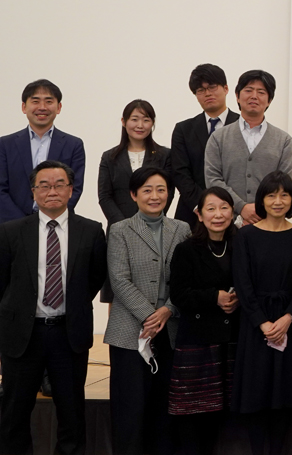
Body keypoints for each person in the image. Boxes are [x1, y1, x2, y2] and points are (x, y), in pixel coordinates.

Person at [0, 161, 106, 455]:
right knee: (14, 414)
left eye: (59, 184)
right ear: (33, 192)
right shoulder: (11, 232)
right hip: (23, 334)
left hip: (68, 334)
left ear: (71, 190)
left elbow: (94, 279)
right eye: (44, 185)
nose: (52, 191)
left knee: (72, 414)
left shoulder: (91, 231)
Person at [105, 166, 191, 455]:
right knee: (129, 409)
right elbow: (119, 279)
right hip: (129, 332)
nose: (155, 196)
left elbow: (188, 280)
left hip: (171, 331)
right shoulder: (119, 230)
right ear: (133, 194)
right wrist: (149, 316)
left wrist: (167, 311)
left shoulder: (182, 229)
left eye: (161, 190)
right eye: (147, 190)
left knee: (164, 408)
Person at [231, 172, 292, 455]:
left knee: (284, 394)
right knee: (257, 392)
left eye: (284, 195)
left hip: (290, 323)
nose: (278, 201)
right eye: (271, 195)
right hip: (255, 324)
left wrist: (288, 317)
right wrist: (262, 323)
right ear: (261, 199)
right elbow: (243, 283)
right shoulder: (246, 235)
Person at [168, 188, 240, 455]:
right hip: (198, 340)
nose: (218, 214)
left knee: (219, 412)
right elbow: (179, 294)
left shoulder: (241, 244)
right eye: (211, 208)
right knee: (192, 411)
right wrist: (215, 297)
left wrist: (239, 298)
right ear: (199, 214)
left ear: (232, 212)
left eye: (224, 207)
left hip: (232, 338)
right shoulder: (186, 249)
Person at [204, 70, 292, 226]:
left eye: (261, 92)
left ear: (269, 100)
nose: (254, 96)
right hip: (226, 224)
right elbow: (213, 179)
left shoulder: (284, 141)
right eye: (248, 90)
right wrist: (242, 207)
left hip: (268, 223)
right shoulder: (218, 138)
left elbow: (283, 184)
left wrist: (260, 211)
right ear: (237, 96)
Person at [0, 80, 86, 223]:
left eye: (48, 101)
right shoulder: (4, 144)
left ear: (58, 107)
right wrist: (21, 223)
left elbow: (74, 188)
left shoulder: (73, 144)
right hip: (12, 226)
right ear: (23, 107)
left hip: (58, 224)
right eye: (35, 101)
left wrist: (51, 218)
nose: (42, 107)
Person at [170, 64, 239, 228]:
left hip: (235, 213)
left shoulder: (243, 125)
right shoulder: (183, 129)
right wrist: (202, 206)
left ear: (226, 88)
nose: (207, 93)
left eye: (212, 87)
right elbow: (180, 173)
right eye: (200, 90)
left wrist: (231, 206)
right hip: (192, 213)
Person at [98, 99, 174, 229]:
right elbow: (105, 196)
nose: (140, 125)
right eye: (134, 119)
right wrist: (123, 225)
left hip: (155, 226)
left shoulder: (164, 155)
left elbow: (169, 191)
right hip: (119, 228)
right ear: (124, 121)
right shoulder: (109, 157)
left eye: (146, 120)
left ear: (152, 123)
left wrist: (151, 218)